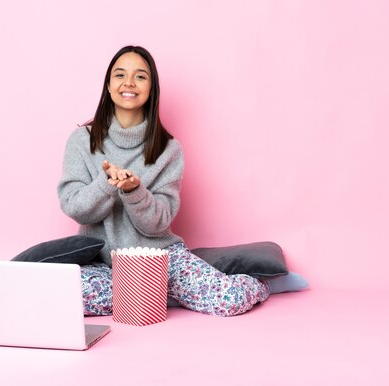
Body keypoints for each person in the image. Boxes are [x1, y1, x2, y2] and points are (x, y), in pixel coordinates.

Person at [58, 45, 306, 317]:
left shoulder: (168, 149)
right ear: (108, 85)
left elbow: (158, 223)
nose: (129, 83)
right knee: (64, 297)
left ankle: (265, 284)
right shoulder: (81, 141)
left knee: (229, 300)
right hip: (104, 265)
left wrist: (134, 191)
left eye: (140, 76)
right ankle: (163, 293)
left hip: (158, 256)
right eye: (120, 75)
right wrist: (106, 184)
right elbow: (75, 208)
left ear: (152, 89)